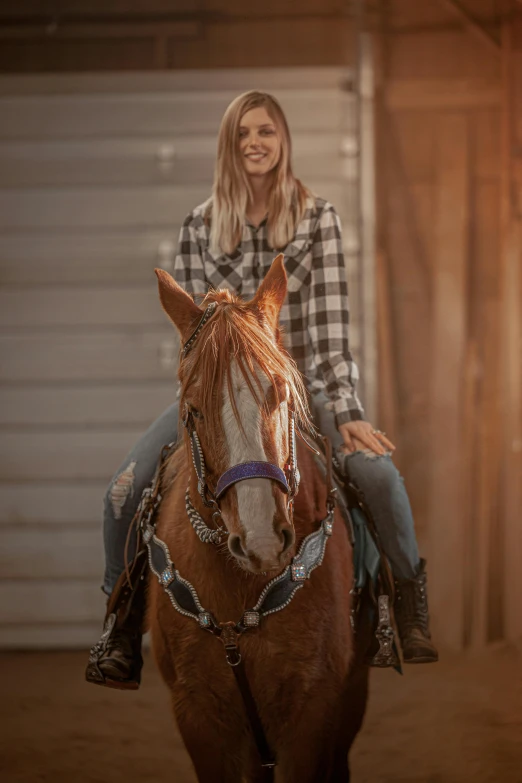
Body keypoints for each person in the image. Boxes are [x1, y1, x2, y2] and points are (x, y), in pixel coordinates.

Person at [86, 90, 438, 690]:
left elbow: (329, 336)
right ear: (230, 143)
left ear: (283, 141)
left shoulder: (317, 219)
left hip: (290, 393)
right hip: (218, 398)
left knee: (378, 476)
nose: (255, 142)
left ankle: (402, 609)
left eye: (267, 131)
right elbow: (192, 337)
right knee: (124, 489)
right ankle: (120, 625)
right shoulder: (199, 226)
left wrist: (347, 411)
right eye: (244, 132)